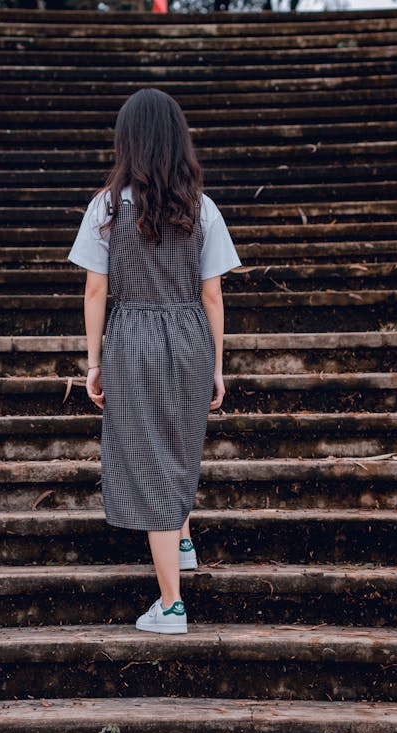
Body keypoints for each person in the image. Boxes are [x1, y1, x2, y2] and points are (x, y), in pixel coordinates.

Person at [68, 88, 242, 634]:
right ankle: (182, 542)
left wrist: (92, 361)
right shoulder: (202, 207)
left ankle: (171, 606)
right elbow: (213, 294)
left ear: (129, 143)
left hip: (133, 336)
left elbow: (96, 290)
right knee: (179, 440)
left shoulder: (106, 206)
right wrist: (217, 363)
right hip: (190, 333)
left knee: (148, 460)